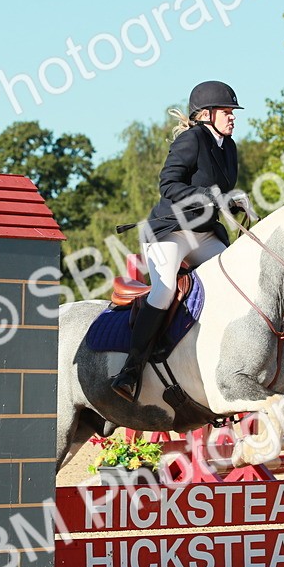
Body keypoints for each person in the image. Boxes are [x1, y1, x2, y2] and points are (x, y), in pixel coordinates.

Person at [110, 80, 249, 401]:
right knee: (165, 288)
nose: (232, 117)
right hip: (169, 231)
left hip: (203, 233)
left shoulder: (229, 147)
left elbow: (219, 194)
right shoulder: (192, 138)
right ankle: (131, 369)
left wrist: (233, 201)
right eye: (226, 111)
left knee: (233, 280)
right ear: (206, 114)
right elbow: (168, 184)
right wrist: (213, 196)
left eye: (232, 112)